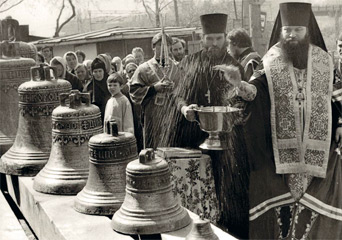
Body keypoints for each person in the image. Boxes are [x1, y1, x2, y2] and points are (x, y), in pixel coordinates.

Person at [216, 3, 342, 239]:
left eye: (297, 29)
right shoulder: (270, 60)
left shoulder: (324, 60)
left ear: (307, 30)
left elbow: (337, 94)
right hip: (280, 151)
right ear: (281, 31)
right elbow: (255, 92)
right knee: (285, 204)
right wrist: (239, 85)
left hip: (320, 148)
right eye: (287, 30)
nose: (292, 35)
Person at [170, 13, 249, 238]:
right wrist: (185, 108)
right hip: (193, 134)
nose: (214, 43)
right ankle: (195, 228)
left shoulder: (234, 65)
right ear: (202, 38)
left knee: (227, 185)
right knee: (195, 183)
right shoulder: (190, 62)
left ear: (225, 38)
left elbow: (240, 100)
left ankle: (228, 228)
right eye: (209, 38)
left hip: (228, 139)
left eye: (218, 38)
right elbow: (179, 94)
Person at [129, 32, 179, 149]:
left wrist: (174, 90)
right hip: (152, 114)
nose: (163, 49)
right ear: (153, 47)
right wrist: (154, 88)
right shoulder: (143, 68)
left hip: (171, 113)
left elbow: (183, 90)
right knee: (154, 146)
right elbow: (134, 91)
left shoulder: (176, 68)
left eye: (167, 46)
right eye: (160, 45)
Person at [84, 56, 111, 123]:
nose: (98, 74)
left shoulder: (111, 82)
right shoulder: (89, 86)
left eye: (100, 71)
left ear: (104, 71)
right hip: (95, 118)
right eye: (95, 72)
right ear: (92, 73)